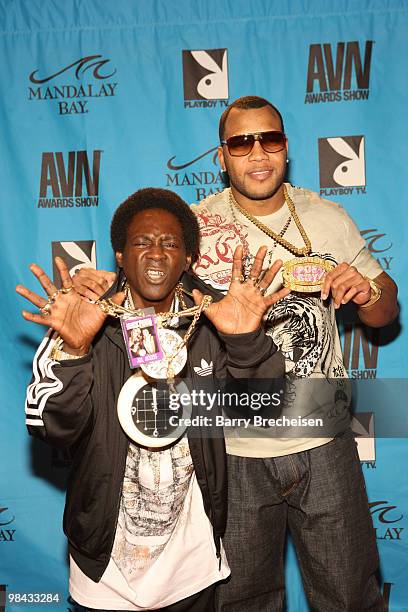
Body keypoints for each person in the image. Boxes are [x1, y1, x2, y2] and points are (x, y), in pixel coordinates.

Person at [72, 97, 399, 611]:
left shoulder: (328, 217)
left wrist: (368, 291)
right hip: (233, 446)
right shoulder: (194, 227)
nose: (258, 153)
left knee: (350, 595)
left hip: (325, 439)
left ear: (286, 148)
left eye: (270, 139)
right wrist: (99, 291)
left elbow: (386, 312)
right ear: (222, 157)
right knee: (244, 600)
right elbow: (143, 290)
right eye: (241, 143)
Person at [17, 187, 288, 612]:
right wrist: (73, 353)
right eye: (142, 242)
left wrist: (246, 342)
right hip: (105, 573)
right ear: (120, 256)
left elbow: (263, 407)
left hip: (193, 568)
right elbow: (51, 426)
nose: (157, 253)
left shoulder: (214, 322)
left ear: (188, 259)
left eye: (171, 243)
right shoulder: (85, 323)